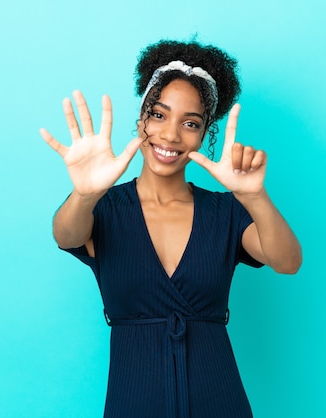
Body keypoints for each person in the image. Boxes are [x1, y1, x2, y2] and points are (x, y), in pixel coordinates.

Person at [39, 39, 302, 418]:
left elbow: (288, 261)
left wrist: (254, 197)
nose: (171, 135)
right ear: (141, 118)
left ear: (205, 132)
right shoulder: (105, 208)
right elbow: (65, 235)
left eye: (190, 123)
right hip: (133, 402)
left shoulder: (225, 212)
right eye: (158, 115)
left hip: (220, 401)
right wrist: (85, 194)